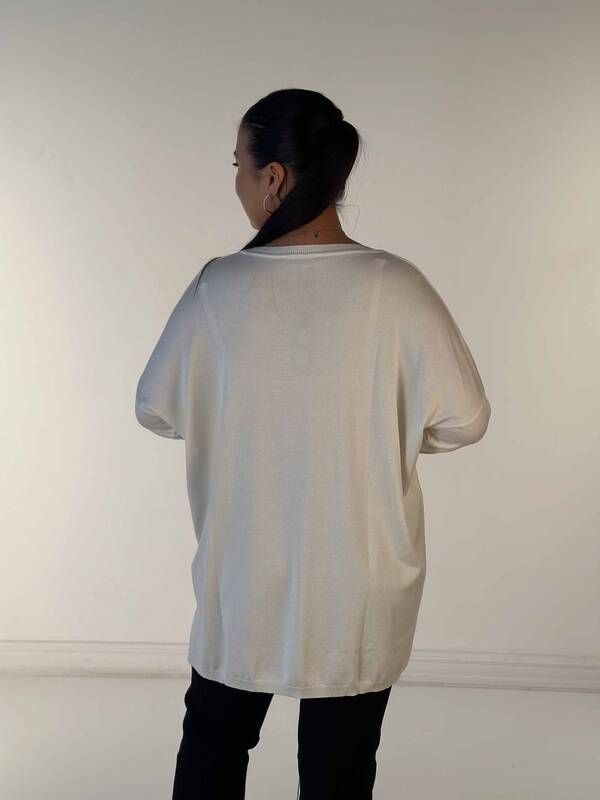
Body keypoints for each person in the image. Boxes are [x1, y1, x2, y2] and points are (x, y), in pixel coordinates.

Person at [135, 88, 492, 799]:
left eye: (238, 165)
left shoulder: (218, 287)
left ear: (273, 176)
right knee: (340, 768)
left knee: (214, 745)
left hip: (242, 576)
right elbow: (465, 419)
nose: (238, 182)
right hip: (358, 583)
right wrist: (377, 430)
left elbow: (156, 409)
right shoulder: (396, 286)